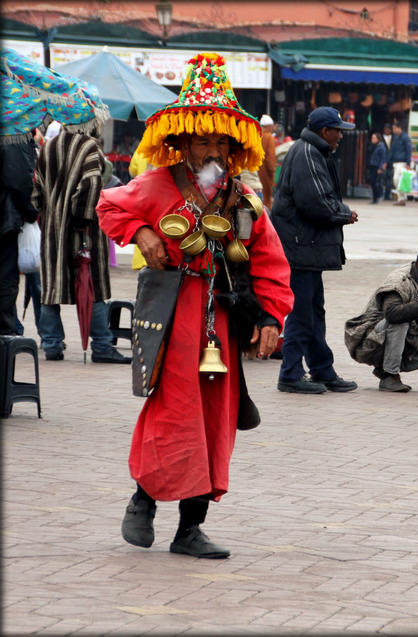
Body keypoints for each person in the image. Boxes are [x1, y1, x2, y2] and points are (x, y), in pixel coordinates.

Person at [96, 52, 294, 559]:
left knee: (215, 420)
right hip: (170, 316)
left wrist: (271, 316)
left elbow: (270, 262)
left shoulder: (243, 201)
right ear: (182, 141)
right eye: (202, 139)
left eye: (219, 141)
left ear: (232, 146)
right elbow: (109, 205)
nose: (212, 149)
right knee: (171, 412)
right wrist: (142, 233)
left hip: (222, 322)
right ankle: (143, 498)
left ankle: (191, 527)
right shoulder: (159, 184)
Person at [270, 106, 360, 395]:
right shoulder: (307, 153)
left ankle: (322, 369)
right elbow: (316, 202)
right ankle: (291, 373)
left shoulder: (312, 151)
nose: (340, 137)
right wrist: (343, 213)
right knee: (301, 311)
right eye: (338, 131)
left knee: (313, 310)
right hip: (300, 247)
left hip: (306, 247)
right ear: (325, 131)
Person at [31, 122, 130, 364]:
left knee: (51, 288)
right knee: (92, 286)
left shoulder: (48, 147)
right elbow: (91, 185)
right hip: (83, 232)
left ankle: (52, 345)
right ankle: (102, 346)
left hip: (53, 231)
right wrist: (81, 218)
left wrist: (46, 212)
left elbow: (36, 190)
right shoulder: (89, 147)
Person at [345, 243, 418, 392]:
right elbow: (392, 314)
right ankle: (390, 375)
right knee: (399, 321)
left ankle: (387, 366)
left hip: (404, 344)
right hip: (371, 343)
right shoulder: (400, 281)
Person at [0, 135, 40, 336]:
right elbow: (19, 180)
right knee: (5, 280)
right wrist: (31, 212)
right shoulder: (14, 134)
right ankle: (6, 337)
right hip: (4, 220)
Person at [387, 121, 412, 205]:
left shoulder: (405, 138)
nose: (393, 130)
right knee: (396, 180)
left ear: (399, 128)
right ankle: (401, 198)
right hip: (395, 162)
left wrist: (408, 163)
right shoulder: (396, 138)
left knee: (398, 180)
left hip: (402, 162)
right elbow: (392, 150)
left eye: (394, 128)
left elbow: (408, 150)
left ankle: (402, 198)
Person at [258, 114, 277, 209]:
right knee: (267, 198)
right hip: (265, 171)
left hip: (257, 170)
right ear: (269, 126)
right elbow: (270, 157)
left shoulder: (258, 135)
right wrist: (272, 170)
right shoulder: (269, 137)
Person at [367, 132, 387, 204]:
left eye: (374, 138)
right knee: (372, 182)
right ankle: (374, 198)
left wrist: (380, 168)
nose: (372, 139)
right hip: (372, 165)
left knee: (375, 182)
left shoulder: (381, 147)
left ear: (378, 139)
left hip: (377, 166)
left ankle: (378, 196)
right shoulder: (372, 146)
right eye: (372, 138)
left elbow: (382, 158)